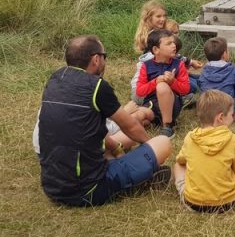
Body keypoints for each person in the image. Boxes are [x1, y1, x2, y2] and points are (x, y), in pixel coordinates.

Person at [36, 35, 172, 207]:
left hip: (51, 187)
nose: (105, 62)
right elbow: (129, 125)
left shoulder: (55, 79)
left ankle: (122, 166)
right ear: (95, 59)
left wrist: (116, 147)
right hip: (88, 190)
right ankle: (137, 182)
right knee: (163, 143)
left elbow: (79, 129)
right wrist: (150, 148)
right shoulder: (97, 86)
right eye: (104, 56)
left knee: (107, 148)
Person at [173, 90, 235, 213]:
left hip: (192, 203)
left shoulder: (190, 138)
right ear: (220, 118)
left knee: (178, 165)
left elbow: (181, 160)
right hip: (226, 204)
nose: (233, 116)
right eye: (231, 114)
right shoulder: (233, 140)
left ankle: (186, 190)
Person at [136, 29, 190, 138]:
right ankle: (152, 122)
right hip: (151, 105)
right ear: (156, 50)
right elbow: (139, 91)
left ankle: (167, 125)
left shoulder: (179, 64)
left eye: (173, 42)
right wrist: (155, 82)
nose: (174, 45)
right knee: (137, 116)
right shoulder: (146, 66)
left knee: (162, 86)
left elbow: (185, 89)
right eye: (169, 43)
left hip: (171, 105)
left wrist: (172, 82)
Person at [198, 37, 235, 120]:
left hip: (209, 113)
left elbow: (202, 91)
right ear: (224, 54)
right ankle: (231, 117)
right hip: (228, 111)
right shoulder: (233, 71)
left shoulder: (203, 72)